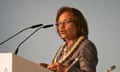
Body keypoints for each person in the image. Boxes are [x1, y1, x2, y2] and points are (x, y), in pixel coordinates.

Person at [40, 6, 98, 72]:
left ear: (78, 23)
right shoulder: (62, 48)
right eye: (59, 23)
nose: (61, 26)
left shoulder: (86, 45)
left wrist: (65, 69)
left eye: (66, 22)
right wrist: (47, 68)